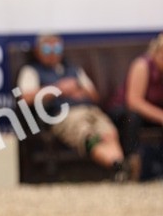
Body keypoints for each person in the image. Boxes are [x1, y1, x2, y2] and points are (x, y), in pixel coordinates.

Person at [16, 33, 127, 177]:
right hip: (62, 115)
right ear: (38, 51)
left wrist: (78, 90)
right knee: (89, 137)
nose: (52, 54)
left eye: (56, 49)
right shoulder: (31, 71)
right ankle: (117, 166)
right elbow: (25, 98)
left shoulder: (73, 69)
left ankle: (121, 168)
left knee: (109, 133)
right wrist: (58, 89)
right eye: (47, 50)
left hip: (90, 110)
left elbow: (93, 94)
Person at [119, 33, 163, 179]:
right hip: (124, 112)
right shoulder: (142, 65)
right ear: (156, 52)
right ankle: (132, 163)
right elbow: (134, 102)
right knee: (133, 117)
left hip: (153, 113)